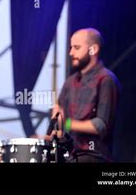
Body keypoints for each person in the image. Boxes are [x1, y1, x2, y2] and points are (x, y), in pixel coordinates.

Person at [48, 28, 121, 162]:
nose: (71, 53)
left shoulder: (106, 80)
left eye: (76, 48)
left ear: (93, 49)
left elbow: (101, 125)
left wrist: (67, 123)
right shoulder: (70, 82)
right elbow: (60, 111)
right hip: (69, 155)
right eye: (71, 48)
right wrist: (55, 128)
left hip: (94, 156)